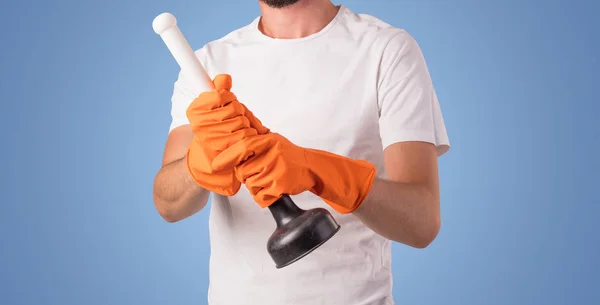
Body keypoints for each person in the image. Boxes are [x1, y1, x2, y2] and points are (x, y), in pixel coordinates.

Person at [152, 0, 450, 304]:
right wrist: (200, 164)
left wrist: (315, 170)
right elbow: (168, 204)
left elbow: (421, 223)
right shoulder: (207, 64)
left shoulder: (387, 50)